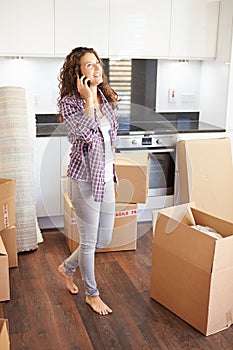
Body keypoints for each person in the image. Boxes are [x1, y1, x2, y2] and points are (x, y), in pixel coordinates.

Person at [57, 47, 120, 316]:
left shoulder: (105, 98)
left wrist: (95, 96)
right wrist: (88, 98)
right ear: (78, 72)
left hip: (106, 178)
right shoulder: (70, 103)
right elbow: (84, 133)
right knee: (89, 240)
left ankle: (67, 268)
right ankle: (92, 295)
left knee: (102, 239)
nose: (97, 68)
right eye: (89, 65)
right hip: (84, 181)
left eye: (97, 63)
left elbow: (109, 136)